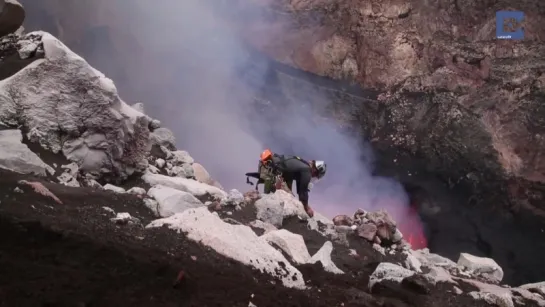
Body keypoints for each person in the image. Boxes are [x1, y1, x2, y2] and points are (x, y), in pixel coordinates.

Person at [258, 149, 326, 218]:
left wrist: (290, 192)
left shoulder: (302, 166)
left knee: (288, 196)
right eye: (316, 175)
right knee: (271, 200)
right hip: (269, 170)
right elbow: (303, 192)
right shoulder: (307, 170)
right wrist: (307, 208)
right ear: (315, 170)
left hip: (267, 167)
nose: (313, 176)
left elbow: (290, 178)